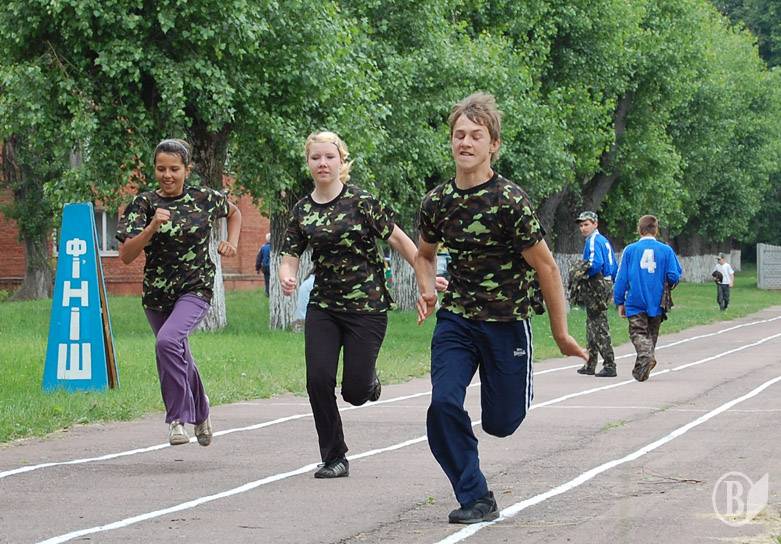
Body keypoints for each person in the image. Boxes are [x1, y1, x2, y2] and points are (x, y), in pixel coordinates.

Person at [414, 93, 587, 524]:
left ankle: (507, 401)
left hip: (507, 322)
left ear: (494, 145)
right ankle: (476, 495)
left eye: (476, 135)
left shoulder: (509, 201)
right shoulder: (437, 202)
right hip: (457, 319)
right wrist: (427, 289)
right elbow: (424, 254)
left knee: (501, 423)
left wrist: (561, 333)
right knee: (442, 405)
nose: (465, 142)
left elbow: (546, 266)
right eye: (459, 135)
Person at [278, 130, 423, 479]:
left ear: (341, 161)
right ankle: (334, 457)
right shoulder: (302, 210)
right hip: (324, 306)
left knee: (355, 393)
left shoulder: (361, 201)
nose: (322, 163)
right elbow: (290, 255)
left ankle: (368, 381)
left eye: (329, 157)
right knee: (318, 380)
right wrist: (287, 275)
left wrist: (425, 277)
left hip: (366, 307)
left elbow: (399, 240)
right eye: (316, 157)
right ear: (308, 162)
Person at [116, 138, 242, 446]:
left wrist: (232, 242)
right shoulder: (143, 204)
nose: (167, 175)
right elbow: (127, 255)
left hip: (195, 288)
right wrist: (151, 227)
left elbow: (234, 213)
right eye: (161, 169)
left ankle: (177, 419)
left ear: (187, 169)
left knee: (168, 341)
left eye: (174, 169)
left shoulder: (204, 198)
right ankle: (202, 410)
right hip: (157, 294)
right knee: (177, 350)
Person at [613, 215, 682, 383]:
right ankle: (643, 368)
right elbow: (674, 275)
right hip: (657, 300)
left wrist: (619, 301)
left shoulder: (630, 250)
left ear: (639, 230)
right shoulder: (666, 250)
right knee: (651, 335)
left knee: (638, 332)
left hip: (635, 300)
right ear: (656, 230)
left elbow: (621, 278)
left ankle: (645, 359)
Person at [574, 210, 618, 377]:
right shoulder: (603, 240)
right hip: (606, 282)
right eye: (581, 225)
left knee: (599, 325)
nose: (583, 228)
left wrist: (582, 274)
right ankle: (590, 362)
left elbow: (595, 263)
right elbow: (614, 265)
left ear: (595, 224)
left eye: (586, 224)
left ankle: (609, 364)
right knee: (592, 323)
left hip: (597, 284)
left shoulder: (593, 240)